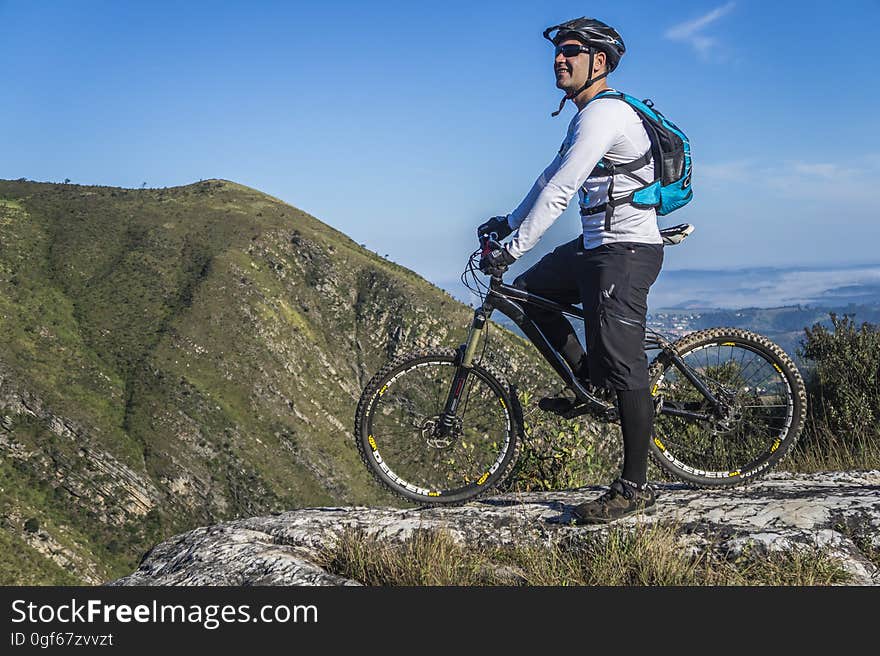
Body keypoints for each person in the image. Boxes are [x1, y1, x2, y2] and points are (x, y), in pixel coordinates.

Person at [477, 17, 664, 524]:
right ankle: (590, 381)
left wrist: (511, 247)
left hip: (626, 251)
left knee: (627, 365)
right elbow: (548, 179)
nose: (559, 59)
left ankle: (634, 487)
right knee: (525, 296)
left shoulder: (605, 116)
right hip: (596, 246)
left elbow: (562, 192)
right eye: (558, 51)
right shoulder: (584, 117)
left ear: (597, 63)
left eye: (572, 51)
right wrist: (509, 221)